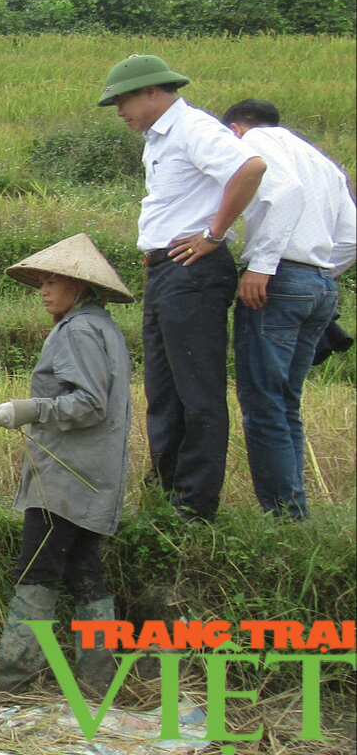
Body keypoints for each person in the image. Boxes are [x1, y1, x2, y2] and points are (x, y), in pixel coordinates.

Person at [98, 54, 265, 522]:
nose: (119, 112)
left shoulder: (193, 128)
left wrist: (213, 235)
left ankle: (194, 506)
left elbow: (249, 168)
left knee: (197, 390)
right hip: (168, 270)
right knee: (164, 390)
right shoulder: (158, 140)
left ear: (152, 91)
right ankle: (164, 494)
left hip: (193, 273)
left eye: (123, 100)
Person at [0, 233, 134, 696]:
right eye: (40, 281)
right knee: (84, 569)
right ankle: (100, 681)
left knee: (38, 569)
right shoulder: (102, 327)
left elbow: (89, 403)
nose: (43, 289)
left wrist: (28, 410)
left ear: (80, 286)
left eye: (53, 280)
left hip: (66, 475)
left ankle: (12, 678)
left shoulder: (78, 330)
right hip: (94, 473)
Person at [223, 99, 355, 519]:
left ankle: (284, 517)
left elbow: (286, 193)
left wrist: (264, 266)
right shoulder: (320, 160)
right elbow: (351, 236)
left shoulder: (254, 143)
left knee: (263, 405)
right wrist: (318, 273)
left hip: (278, 282)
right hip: (319, 285)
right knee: (285, 403)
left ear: (235, 128)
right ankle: (294, 511)